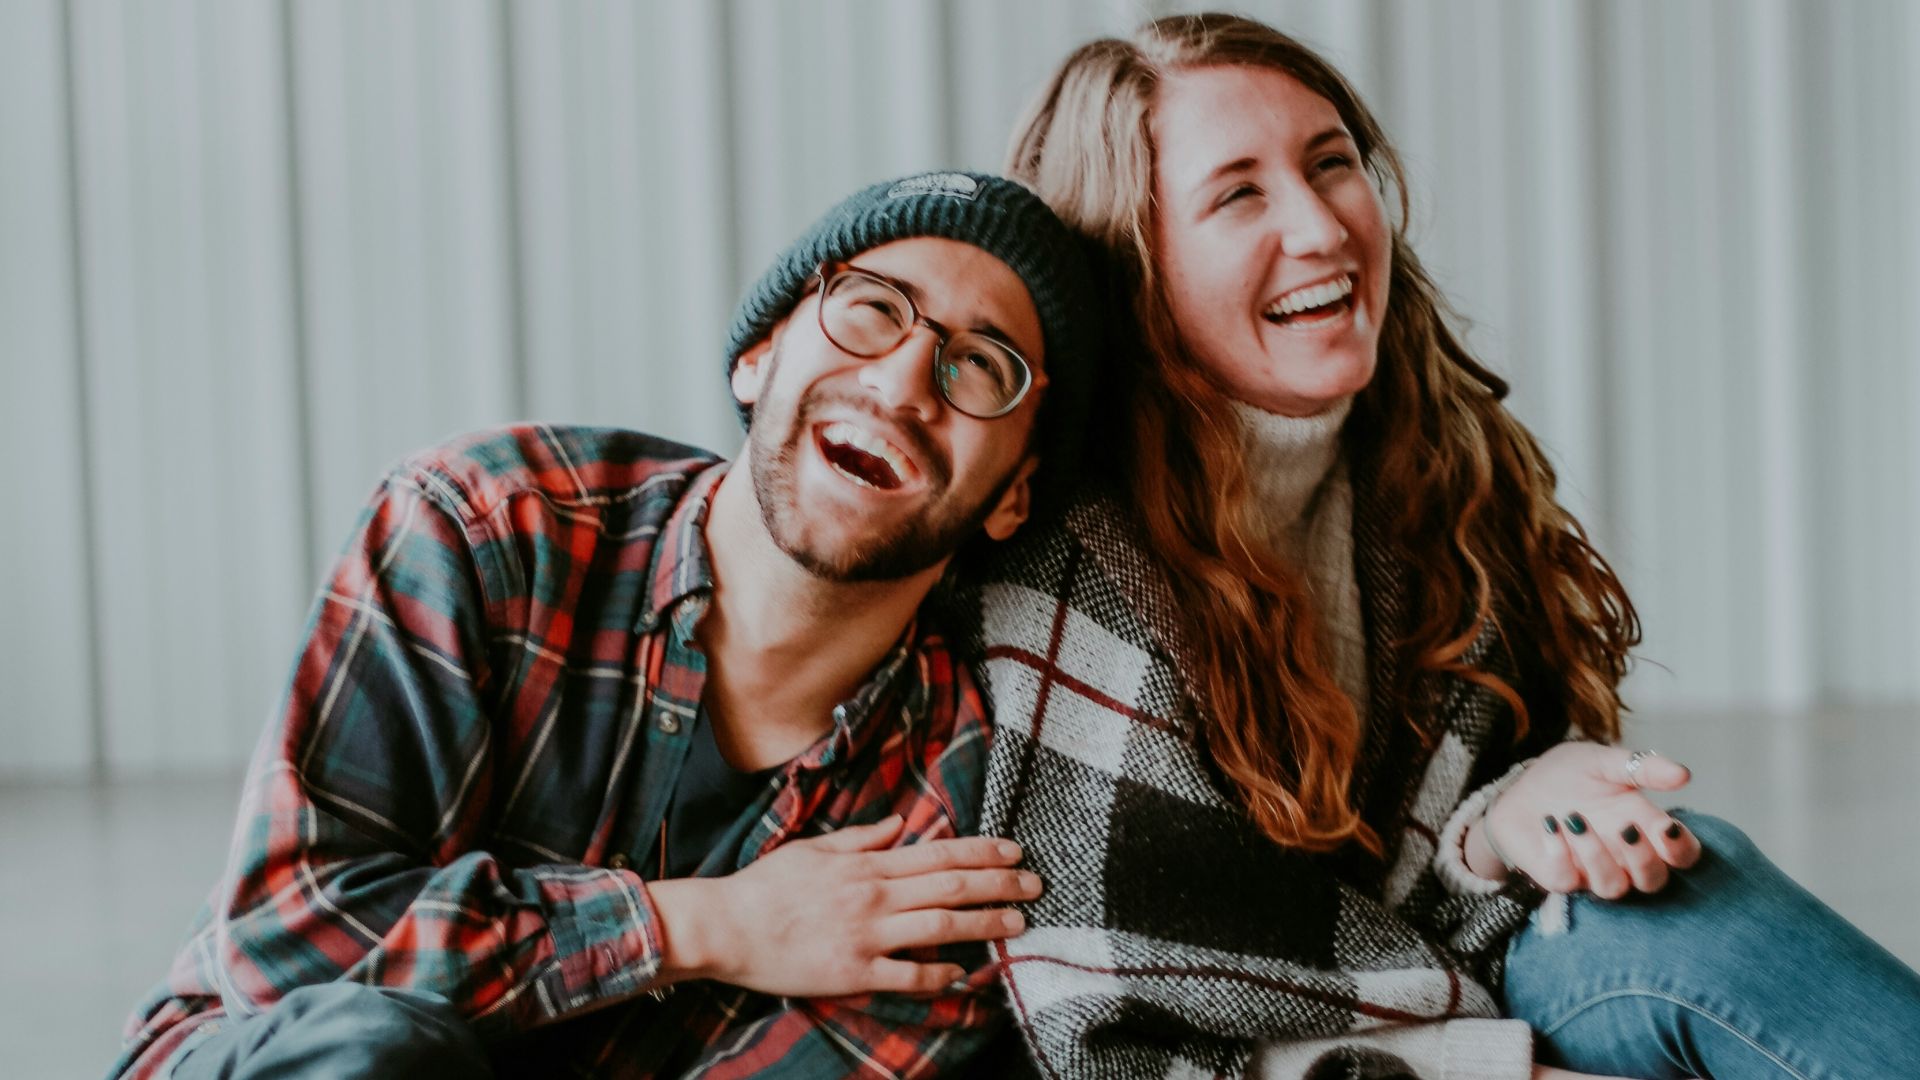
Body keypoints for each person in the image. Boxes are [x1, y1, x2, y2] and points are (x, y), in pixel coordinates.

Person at [965, 12, 1920, 1080]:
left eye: (1332, 165)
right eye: (1239, 193)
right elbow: (1111, 1047)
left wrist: (1505, 818)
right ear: (1131, 262)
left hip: (1458, 1001)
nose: (1323, 228)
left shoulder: (1428, 465)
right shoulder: (1072, 571)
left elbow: (1414, 880)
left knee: (1688, 892)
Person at [106, 170, 1102, 1080]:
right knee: (383, 1056)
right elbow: (287, 946)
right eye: (873, 309)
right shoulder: (485, 528)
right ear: (760, 357)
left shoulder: (953, 799)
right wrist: (700, 923)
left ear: (1013, 495)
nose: (902, 383)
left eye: (982, 367)